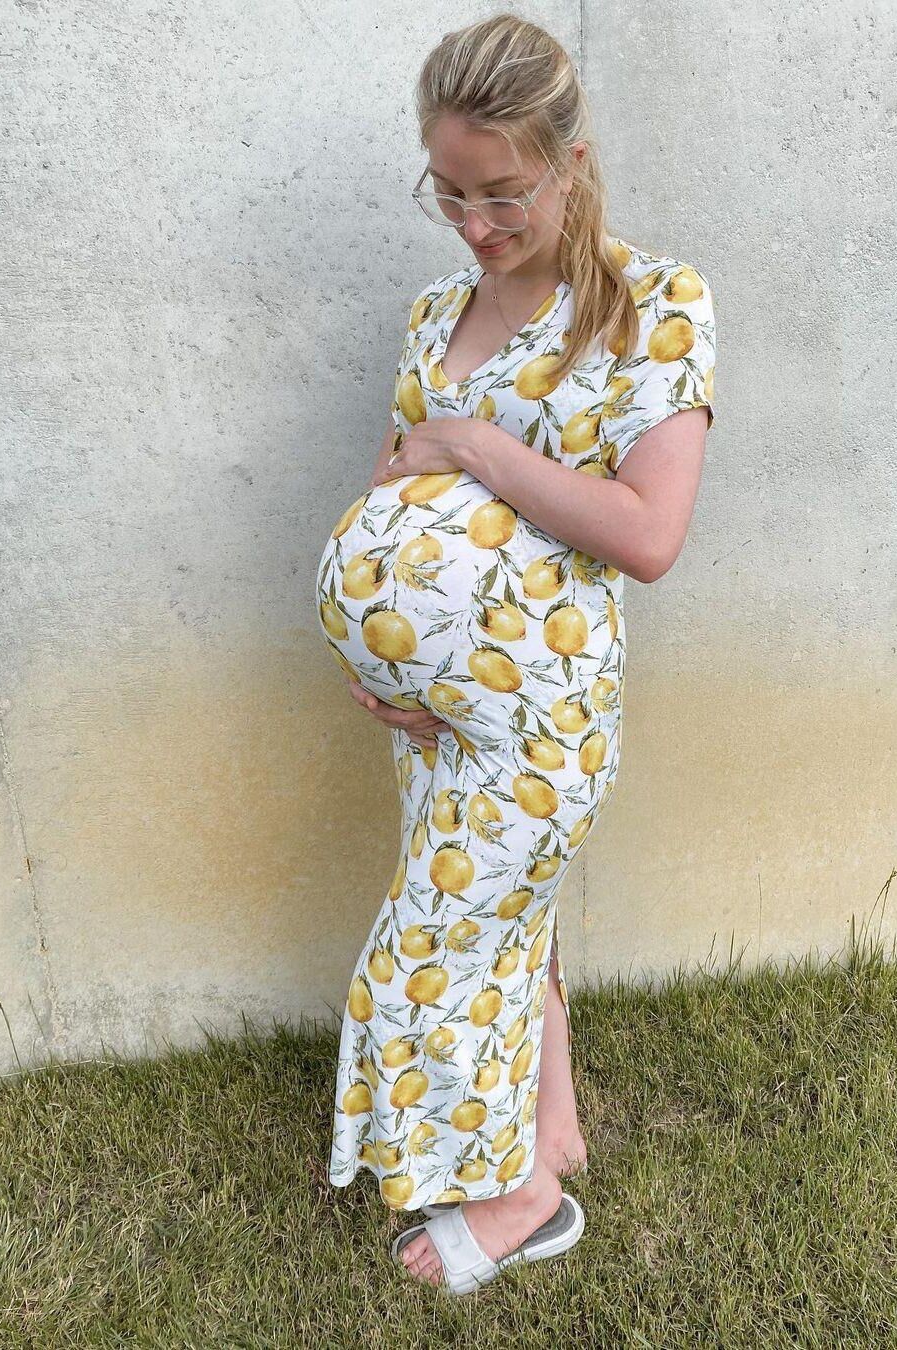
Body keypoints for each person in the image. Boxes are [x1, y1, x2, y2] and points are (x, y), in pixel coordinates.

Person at [314, 12, 716, 1295]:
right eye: (451, 191)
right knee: (512, 931)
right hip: (436, 714)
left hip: (540, 724)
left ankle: (525, 1204)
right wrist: (371, 661)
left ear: (571, 162)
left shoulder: (653, 307)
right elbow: (394, 500)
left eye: (505, 195)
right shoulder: (438, 313)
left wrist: (479, 444)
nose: (476, 223)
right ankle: (556, 1126)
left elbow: (651, 536)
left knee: (440, 945)